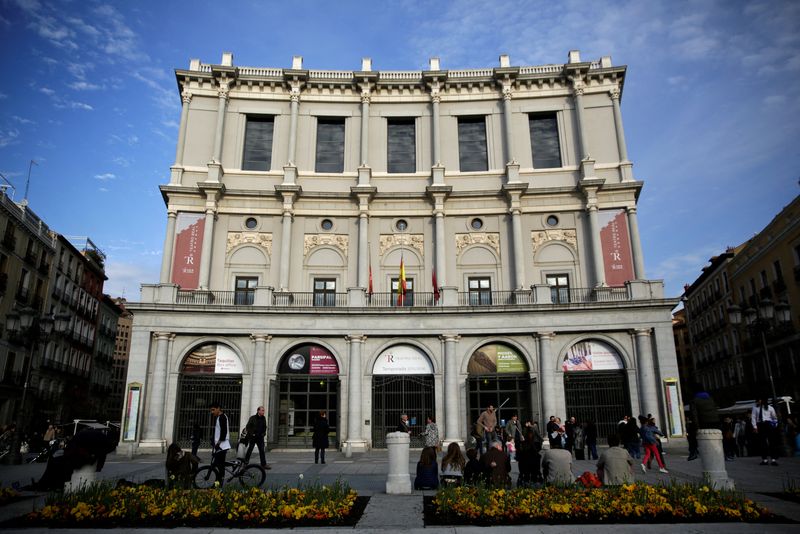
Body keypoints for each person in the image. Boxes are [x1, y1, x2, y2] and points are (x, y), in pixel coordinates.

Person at [751, 397, 780, 466]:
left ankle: (773, 460)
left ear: (763, 400)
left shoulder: (770, 408)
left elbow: (774, 417)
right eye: (757, 400)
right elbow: (753, 417)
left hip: (768, 424)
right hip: (760, 425)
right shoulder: (755, 408)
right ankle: (765, 460)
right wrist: (755, 427)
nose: (758, 401)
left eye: (759, 400)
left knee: (772, 442)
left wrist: (774, 425)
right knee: (762, 443)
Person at [209, 401, 231, 485]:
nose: (212, 412)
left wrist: (218, 443)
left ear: (218, 408)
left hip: (222, 446)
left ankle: (219, 483)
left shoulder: (222, 417)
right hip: (220, 445)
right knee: (219, 465)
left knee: (220, 466)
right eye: (211, 410)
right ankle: (219, 482)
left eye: (213, 410)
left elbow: (224, 432)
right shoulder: (220, 417)